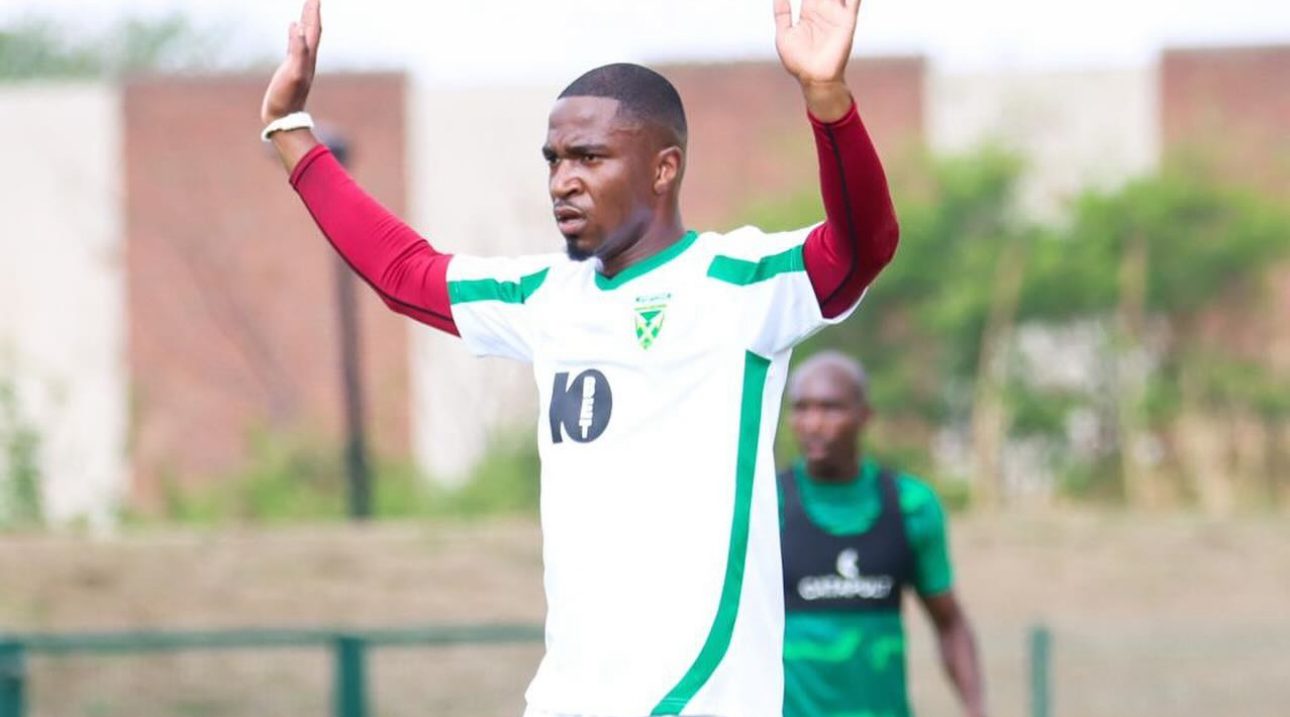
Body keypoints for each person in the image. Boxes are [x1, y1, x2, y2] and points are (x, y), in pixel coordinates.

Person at [260, 1, 898, 715]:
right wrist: (291, 131)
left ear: (664, 169)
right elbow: (404, 273)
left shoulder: (742, 282)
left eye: (589, 157)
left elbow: (862, 247)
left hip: (696, 700)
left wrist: (827, 100)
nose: (563, 178)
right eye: (555, 159)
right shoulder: (546, 297)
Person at [780, 352, 986, 717]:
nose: (813, 423)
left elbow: (950, 623)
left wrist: (976, 708)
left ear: (864, 415)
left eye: (830, 408)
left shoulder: (910, 506)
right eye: (801, 408)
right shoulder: (765, 506)